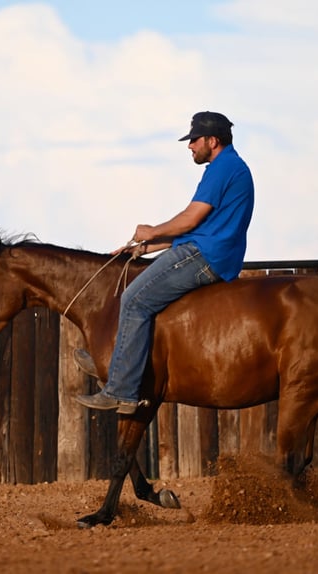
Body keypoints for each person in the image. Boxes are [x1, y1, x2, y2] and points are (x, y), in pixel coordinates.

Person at [74, 111, 254, 414]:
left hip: (205, 255)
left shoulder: (223, 168)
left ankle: (121, 391)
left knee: (133, 299)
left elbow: (190, 219)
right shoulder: (228, 166)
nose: (190, 146)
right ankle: (116, 365)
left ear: (212, 140)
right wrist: (146, 247)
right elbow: (201, 227)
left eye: (194, 140)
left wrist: (152, 229)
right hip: (207, 248)